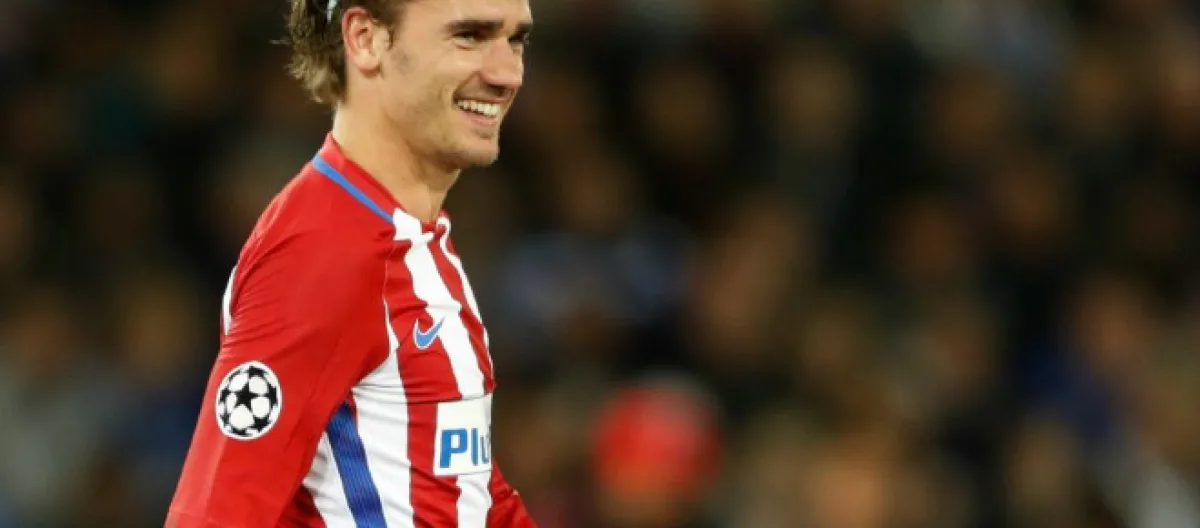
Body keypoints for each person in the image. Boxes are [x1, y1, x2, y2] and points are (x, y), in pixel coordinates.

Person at [166, 0, 536, 525]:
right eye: (469, 36)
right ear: (365, 39)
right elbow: (214, 514)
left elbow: (460, 491)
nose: (507, 73)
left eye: (516, 40)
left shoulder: (411, 234)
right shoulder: (322, 253)